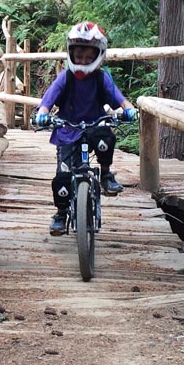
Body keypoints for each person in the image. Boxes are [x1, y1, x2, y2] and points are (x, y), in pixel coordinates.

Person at [34, 21, 138, 236]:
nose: (82, 61)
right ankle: (61, 213)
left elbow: (119, 98)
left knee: (105, 139)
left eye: (88, 57)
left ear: (99, 55)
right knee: (63, 176)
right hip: (66, 129)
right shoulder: (66, 77)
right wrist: (43, 113)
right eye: (78, 56)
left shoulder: (101, 78)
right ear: (70, 53)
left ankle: (106, 175)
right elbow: (48, 100)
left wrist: (129, 109)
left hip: (95, 125)